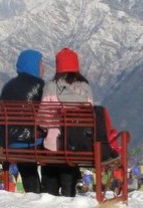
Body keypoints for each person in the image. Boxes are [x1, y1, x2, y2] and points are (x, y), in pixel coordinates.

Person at [0, 49, 46, 193]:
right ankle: (45, 194)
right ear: (33, 65)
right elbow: (47, 116)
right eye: (41, 63)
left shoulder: (8, 86)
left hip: (12, 142)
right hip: (34, 143)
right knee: (52, 151)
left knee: (27, 166)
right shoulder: (41, 86)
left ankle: (33, 192)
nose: (43, 67)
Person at [41, 47, 93, 197]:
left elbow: (43, 121)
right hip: (77, 146)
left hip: (53, 147)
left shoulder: (50, 86)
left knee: (50, 156)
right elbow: (89, 120)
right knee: (68, 165)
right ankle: (69, 192)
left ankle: (50, 194)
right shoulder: (85, 87)